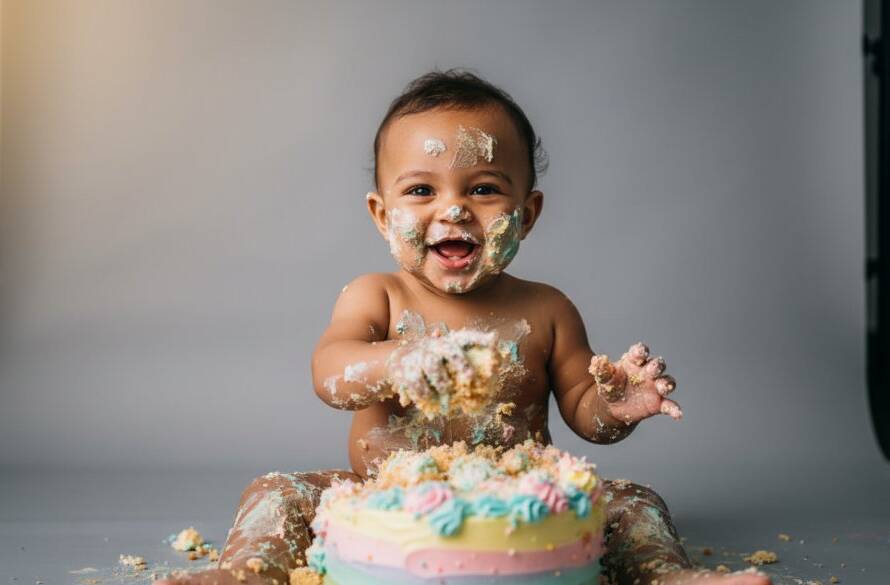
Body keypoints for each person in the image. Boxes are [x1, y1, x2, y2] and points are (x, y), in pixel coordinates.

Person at [157, 69, 770, 585]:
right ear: (381, 214)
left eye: (482, 189)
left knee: (634, 500)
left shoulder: (548, 310)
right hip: (383, 496)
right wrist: (401, 362)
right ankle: (244, 573)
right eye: (421, 190)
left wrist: (616, 405)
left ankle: (668, 576)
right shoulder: (379, 295)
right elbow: (330, 373)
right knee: (278, 490)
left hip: (520, 499)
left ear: (525, 215)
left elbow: (584, 413)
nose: (452, 210)